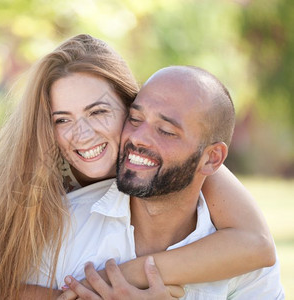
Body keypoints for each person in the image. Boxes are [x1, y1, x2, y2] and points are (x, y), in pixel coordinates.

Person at [0, 35, 276, 300]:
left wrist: (129, 277)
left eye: (98, 112)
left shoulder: (196, 175)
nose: (81, 134)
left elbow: (255, 243)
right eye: (62, 119)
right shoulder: (39, 203)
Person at [61, 66, 284, 299]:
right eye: (135, 119)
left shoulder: (245, 265)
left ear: (212, 158)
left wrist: (128, 275)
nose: (137, 137)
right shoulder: (61, 228)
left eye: (166, 131)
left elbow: (257, 244)